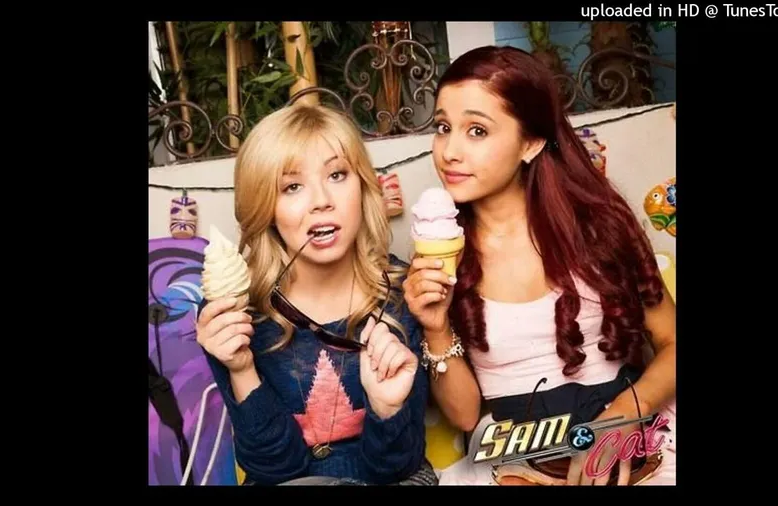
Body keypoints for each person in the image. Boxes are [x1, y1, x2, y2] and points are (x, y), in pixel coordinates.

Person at [403, 46, 676, 486]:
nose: (449, 151)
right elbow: (464, 415)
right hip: (517, 449)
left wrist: (625, 414)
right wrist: (435, 328)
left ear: (530, 142)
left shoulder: (600, 228)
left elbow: (672, 342)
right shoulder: (442, 256)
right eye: (442, 127)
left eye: (477, 130)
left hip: (632, 427)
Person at [196, 104, 435, 486]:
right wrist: (240, 369)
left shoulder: (401, 293)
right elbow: (275, 471)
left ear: (362, 186)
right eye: (292, 186)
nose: (322, 200)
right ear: (265, 207)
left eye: (337, 175)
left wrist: (387, 408)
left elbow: (398, 466)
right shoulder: (235, 315)